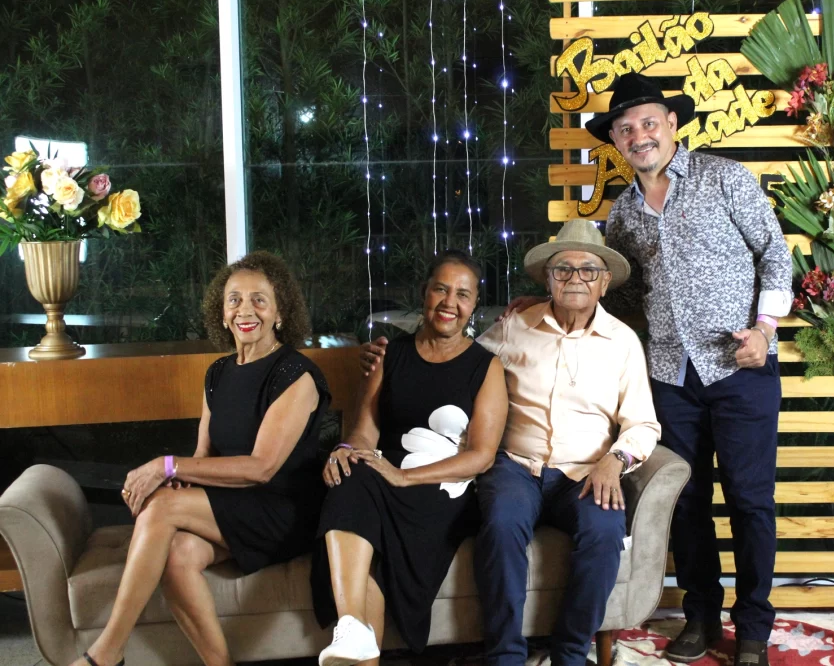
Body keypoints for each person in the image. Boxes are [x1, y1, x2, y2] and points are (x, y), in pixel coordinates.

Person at [360, 221, 661, 666]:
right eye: (563, 269)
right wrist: (390, 360)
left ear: (603, 283)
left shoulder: (622, 343)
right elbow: (455, 359)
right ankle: (505, 655)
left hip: (586, 471)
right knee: (501, 525)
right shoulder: (514, 327)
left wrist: (615, 460)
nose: (575, 278)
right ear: (548, 279)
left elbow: (644, 424)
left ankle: (570, 652)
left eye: (588, 270)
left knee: (603, 533)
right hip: (515, 466)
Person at [591, 73, 792, 666]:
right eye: (625, 129)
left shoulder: (724, 177)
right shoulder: (621, 215)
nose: (639, 136)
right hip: (669, 378)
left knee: (750, 502)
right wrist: (551, 304)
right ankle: (701, 617)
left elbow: (775, 254)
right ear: (617, 141)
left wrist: (765, 331)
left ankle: (752, 629)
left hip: (741, 368)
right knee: (685, 501)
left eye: (648, 123)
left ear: (672, 124)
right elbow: (624, 297)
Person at [71, 252, 332, 666]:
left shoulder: (295, 375)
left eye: (259, 300)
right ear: (221, 313)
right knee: (178, 553)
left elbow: (261, 467)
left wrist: (166, 467)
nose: (245, 310)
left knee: (161, 507)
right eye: (234, 300)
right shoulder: (218, 373)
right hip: (235, 502)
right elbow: (204, 455)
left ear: (280, 312)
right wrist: (180, 478)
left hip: (284, 509)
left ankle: (106, 653)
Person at [311, 249, 508, 666]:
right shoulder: (390, 355)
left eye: (463, 294)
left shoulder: (485, 367)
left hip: (441, 488)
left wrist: (403, 477)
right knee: (352, 476)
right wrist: (346, 451)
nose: (450, 302)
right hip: (383, 473)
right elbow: (364, 431)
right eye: (441, 289)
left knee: (371, 537)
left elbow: (482, 456)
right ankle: (352, 629)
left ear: (474, 304)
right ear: (424, 293)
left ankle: (352, 630)